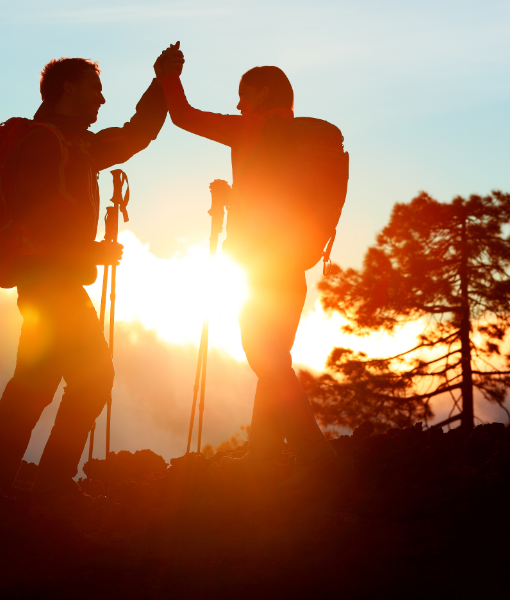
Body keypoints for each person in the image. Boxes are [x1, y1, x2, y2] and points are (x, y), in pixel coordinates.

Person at [0, 54, 171, 508]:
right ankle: (47, 489)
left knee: (34, 385)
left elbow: (137, 134)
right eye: (93, 89)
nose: (101, 98)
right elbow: (36, 223)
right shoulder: (44, 146)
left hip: (51, 282)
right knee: (91, 379)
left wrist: (161, 84)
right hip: (49, 282)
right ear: (66, 90)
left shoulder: (74, 146)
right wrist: (91, 253)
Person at [156, 44, 337, 474]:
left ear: (262, 93)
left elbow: (183, 117)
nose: (238, 103)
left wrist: (167, 75)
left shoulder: (250, 129)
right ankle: (263, 453)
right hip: (294, 265)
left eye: (244, 93)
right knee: (273, 358)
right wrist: (234, 197)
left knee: (264, 356)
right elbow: (275, 201)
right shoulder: (306, 139)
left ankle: (314, 451)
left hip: (257, 267)